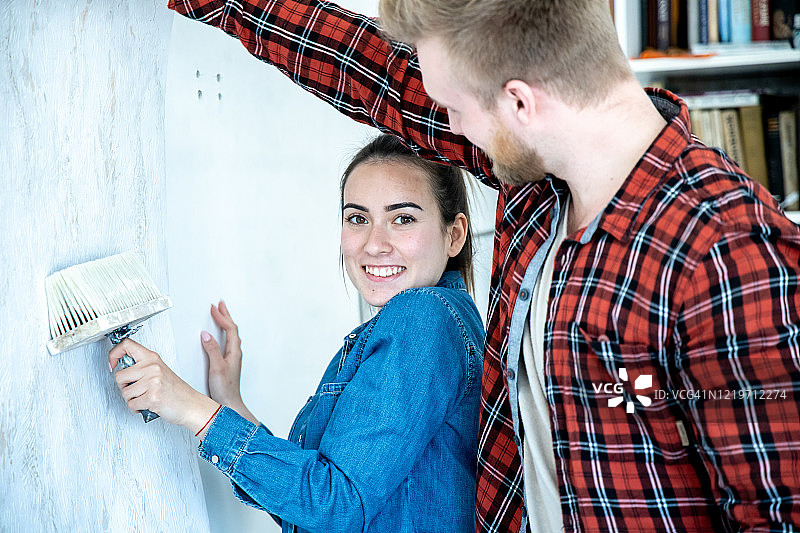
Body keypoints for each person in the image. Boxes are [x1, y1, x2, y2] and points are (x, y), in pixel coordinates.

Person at [166, 1, 800, 532]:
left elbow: (779, 512)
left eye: (454, 107)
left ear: (518, 103)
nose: (444, 123)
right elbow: (370, 72)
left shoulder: (727, 252)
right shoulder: (538, 188)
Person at [108, 134, 486, 532]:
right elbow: (309, 506)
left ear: (454, 235)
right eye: (358, 218)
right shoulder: (435, 322)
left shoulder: (422, 318)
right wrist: (230, 403)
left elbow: (333, 507)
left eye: (402, 218)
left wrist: (187, 405)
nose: (375, 244)